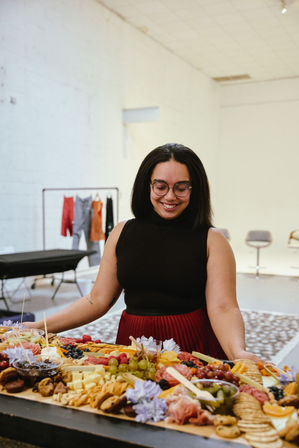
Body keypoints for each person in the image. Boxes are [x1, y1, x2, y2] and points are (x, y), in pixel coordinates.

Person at [26, 143, 259, 361]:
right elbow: (97, 299)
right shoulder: (121, 232)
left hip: (190, 345)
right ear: (147, 185)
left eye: (181, 188)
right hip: (133, 345)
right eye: (161, 186)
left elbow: (224, 307)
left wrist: (238, 351)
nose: (170, 196)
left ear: (194, 189)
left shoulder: (213, 240)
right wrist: (41, 326)